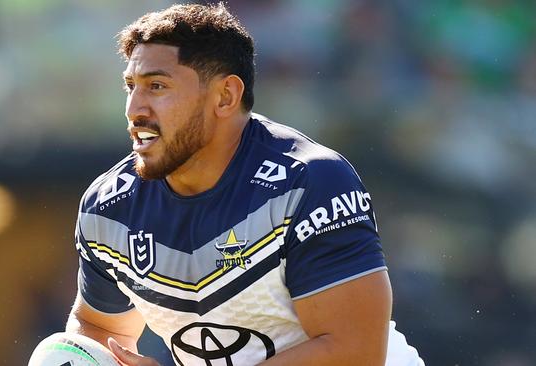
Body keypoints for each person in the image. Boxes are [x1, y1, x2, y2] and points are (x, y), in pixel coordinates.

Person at [65, 3, 423, 365]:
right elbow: (98, 328)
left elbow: (354, 353)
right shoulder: (109, 207)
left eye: (156, 86)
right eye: (131, 86)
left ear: (225, 96)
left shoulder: (308, 182)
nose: (134, 108)